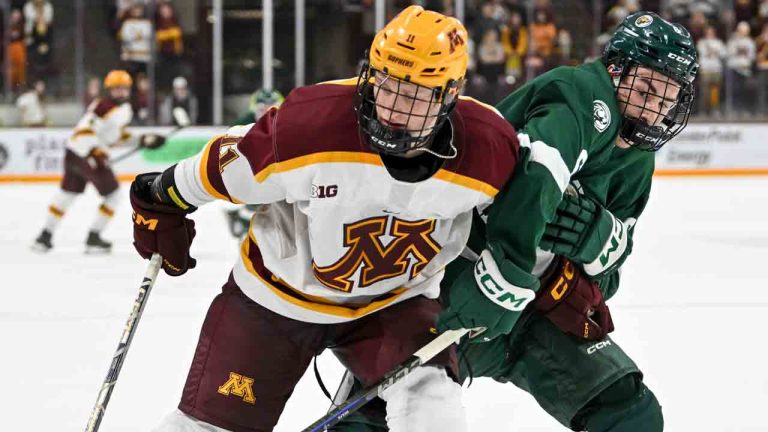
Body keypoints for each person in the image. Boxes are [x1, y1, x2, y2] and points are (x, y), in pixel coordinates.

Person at [129, 6, 520, 431]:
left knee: (432, 405)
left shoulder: (488, 148)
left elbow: (520, 218)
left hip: (394, 305)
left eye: (412, 95)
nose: (390, 107)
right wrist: (161, 195)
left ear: (450, 93)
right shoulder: (313, 125)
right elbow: (227, 164)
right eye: (385, 83)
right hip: (275, 300)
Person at [332, 11, 698, 432]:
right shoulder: (583, 93)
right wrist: (504, 273)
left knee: (629, 414)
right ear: (616, 70)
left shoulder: (638, 162)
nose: (653, 109)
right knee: (366, 417)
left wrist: (597, 242)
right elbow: (536, 175)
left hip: (534, 313)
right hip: (450, 281)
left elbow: (608, 281)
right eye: (646, 89)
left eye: (665, 99)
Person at [32, 70, 164, 253]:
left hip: (75, 152)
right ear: (109, 89)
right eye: (116, 88)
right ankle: (93, 238)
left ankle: (44, 236)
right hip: (85, 154)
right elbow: (85, 130)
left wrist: (142, 139)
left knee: (67, 194)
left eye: (123, 88)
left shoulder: (124, 110)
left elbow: (116, 136)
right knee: (113, 195)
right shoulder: (103, 106)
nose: (120, 92)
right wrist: (96, 152)